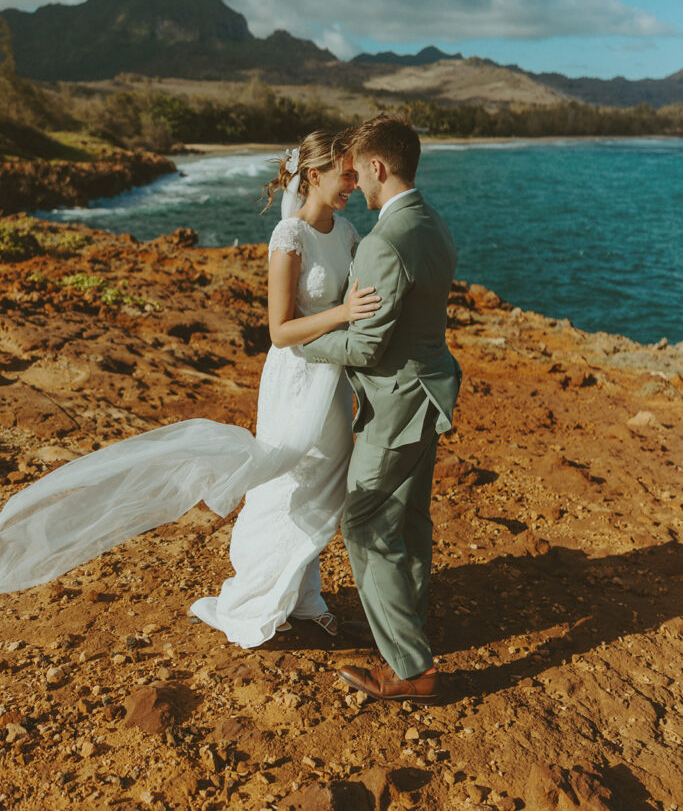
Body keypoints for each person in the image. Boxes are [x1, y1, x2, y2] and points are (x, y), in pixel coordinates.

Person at [0, 129, 378, 649]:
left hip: (331, 382)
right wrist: (343, 313)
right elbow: (279, 330)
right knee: (284, 485)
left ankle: (301, 598)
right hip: (294, 379)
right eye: (347, 175)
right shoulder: (290, 236)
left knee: (322, 488)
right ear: (315, 175)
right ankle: (256, 600)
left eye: (357, 175)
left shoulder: (349, 231)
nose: (354, 185)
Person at [303, 113, 462, 703]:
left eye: (359, 173)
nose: (356, 186)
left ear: (377, 167)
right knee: (408, 520)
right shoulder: (432, 223)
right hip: (430, 393)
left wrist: (302, 341)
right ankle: (408, 631)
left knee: (365, 524)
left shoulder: (384, 242)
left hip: (396, 404)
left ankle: (411, 666)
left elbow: (366, 346)